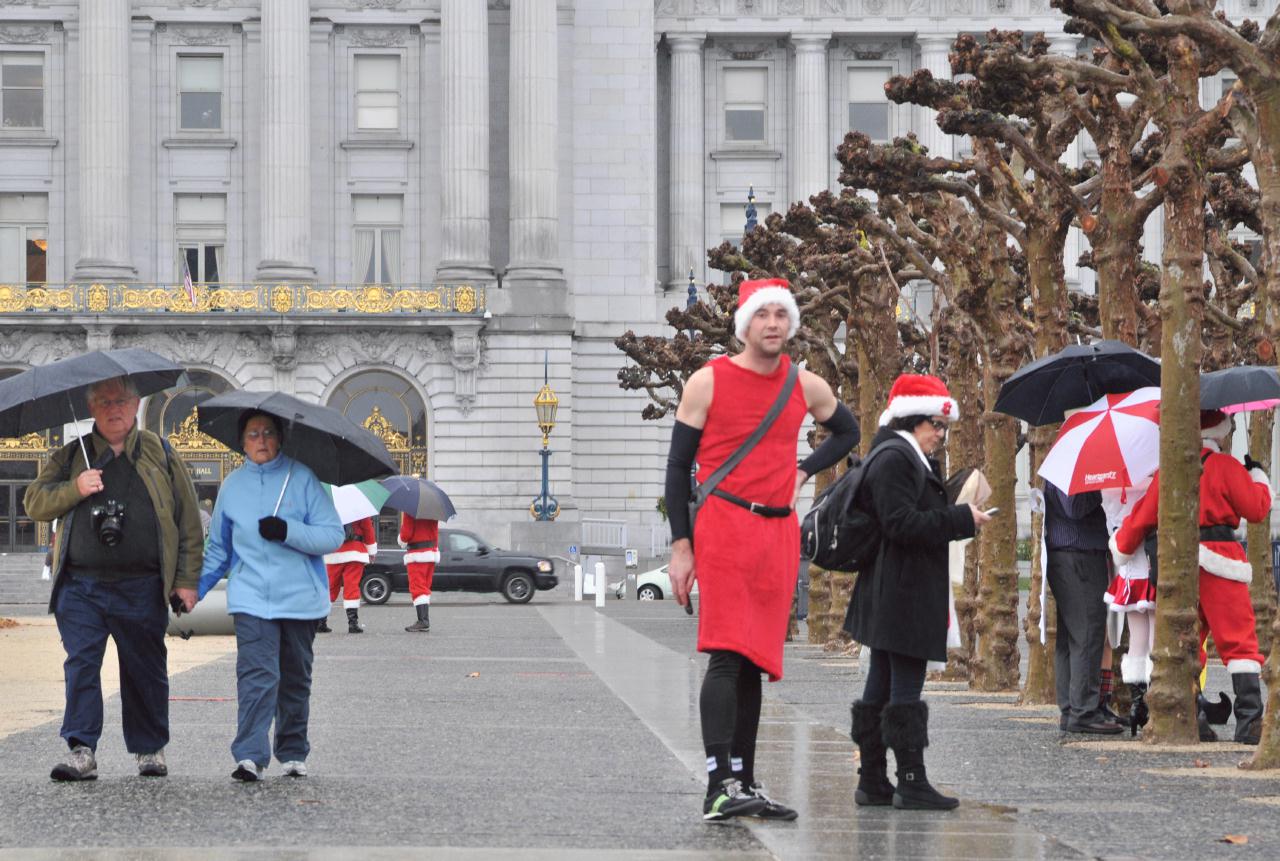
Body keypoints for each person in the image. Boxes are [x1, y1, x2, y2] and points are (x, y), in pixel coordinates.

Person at [664, 277, 858, 823]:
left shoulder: (804, 383)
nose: (772, 323)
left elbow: (847, 431)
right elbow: (678, 469)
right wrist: (682, 545)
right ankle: (717, 783)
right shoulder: (708, 381)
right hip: (724, 526)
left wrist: (803, 468)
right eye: (762, 314)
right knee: (727, 652)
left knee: (755, 660)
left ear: (790, 323)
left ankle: (743, 780)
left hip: (777, 533)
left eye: (781, 314)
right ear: (744, 323)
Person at [25, 376, 204, 781]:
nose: (114, 408)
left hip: (142, 584)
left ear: (137, 403)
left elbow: (188, 520)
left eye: (121, 400)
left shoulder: (162, 453)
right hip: (81, 586)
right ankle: (81, 749)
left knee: (145, 667)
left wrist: (186, 579)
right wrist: (75, 488)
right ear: (91, 408)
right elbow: (34, 502)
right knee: (82, 666)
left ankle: (149, 749)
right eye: (104, 401)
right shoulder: (74, 455)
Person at [845, 373, 989, 811]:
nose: (941, 435)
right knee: (904, 686)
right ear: (912, 419)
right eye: (935, 425)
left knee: (882, 684)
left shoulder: (900, 454)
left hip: (892, 588)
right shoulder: (896, 458)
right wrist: (961, 518)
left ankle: (872, 780)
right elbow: (901, 523)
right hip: (902, 591)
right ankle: (910, 780)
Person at [196, 410, 344, 781]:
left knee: (294, 680)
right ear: (242, 442)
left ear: (279, 438)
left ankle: (293, 752)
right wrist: (191, 590)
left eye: (267, 433)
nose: (260, 441)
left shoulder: (303, 478)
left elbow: (332, 535)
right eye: (252, 434)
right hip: (251, 598)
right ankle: (249, 755)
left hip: (300, 599)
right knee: (257, 677)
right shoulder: (231, 486)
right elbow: (218, 550)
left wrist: (287, 530)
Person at [1111, 409, 1271, 744]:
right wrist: (1258, 476)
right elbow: (1256, 509)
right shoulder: (1226, 466)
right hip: (1221, 560)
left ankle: (1190, 716)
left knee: (1185, 642)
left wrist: (1122, 546)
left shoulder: (1171, 469)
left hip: (1179, 560)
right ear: (1221, 430)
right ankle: (1249, 721)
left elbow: (1142, 517)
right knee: (1239, 642)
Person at [1042, 482, 1122, 734]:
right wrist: (1102, 491)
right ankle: (1083, 711)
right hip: (1078, 554)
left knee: (1071, 637)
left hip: (1072, 553)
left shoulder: (1068, 465)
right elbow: (1074, 507)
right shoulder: (1075, 472)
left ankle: (1072, 708)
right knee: (1088, 632)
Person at [322, 516, 377, 633]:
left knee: (329, 587)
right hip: (355, 551)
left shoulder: (329, 504)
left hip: (333, 551)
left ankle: (320, 622)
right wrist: (371, 551)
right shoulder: (359, 505)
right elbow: (368, 528)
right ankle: (353, 623)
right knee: (351, 586)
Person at [399, 513, 440, 632]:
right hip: (431, 553)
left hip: (417, 554)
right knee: (425, 587)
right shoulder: (432, 510)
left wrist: (400, 539)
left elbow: (406, 534)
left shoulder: (410, 510)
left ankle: (423, 621)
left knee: (417, 587)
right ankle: (424, 620)